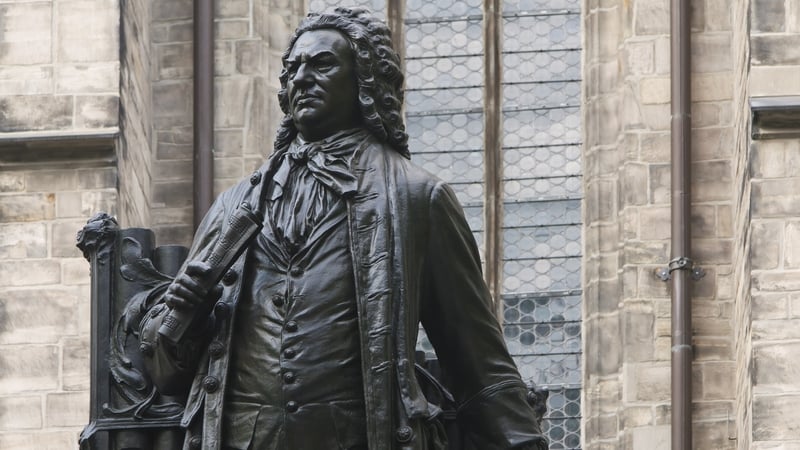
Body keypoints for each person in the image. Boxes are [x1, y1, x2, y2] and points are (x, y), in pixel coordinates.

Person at [139, 7, 547, 450]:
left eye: (322, 64)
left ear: (366, 81)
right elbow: (167, 378)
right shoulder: (232, 206)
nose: (301, 78)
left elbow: (478, 363)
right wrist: (185, 314)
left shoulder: (416, 197)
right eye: (293, 68)